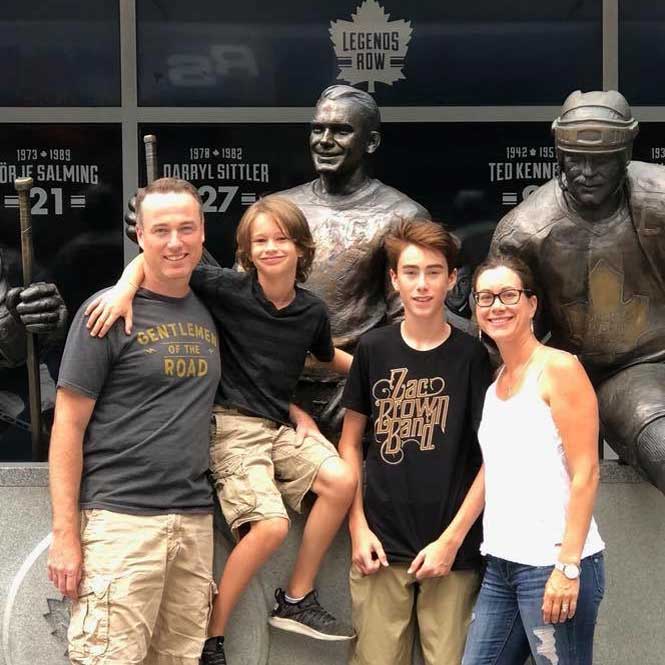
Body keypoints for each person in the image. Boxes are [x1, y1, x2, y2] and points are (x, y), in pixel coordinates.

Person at [87, 195, 357, 665]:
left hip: (275, 427)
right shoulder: (227, 289)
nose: (271, 248)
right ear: (246, 252)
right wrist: (124, 288)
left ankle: (296, 597)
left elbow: (324, 355)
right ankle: (213, 638)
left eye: (282, 239)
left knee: (342, 479)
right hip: (230, 427)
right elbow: (157, 260)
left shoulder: (311, 312)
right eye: (261, 241)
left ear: (302, 248)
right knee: (270, 526)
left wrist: (388, 371)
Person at [47, 177, 222, 664]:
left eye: (186, 228)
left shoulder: (213, 307)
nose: (174, 242)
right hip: (120, 524)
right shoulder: (104, 314)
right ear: (139, 236)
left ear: (203, 233)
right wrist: (66, 535)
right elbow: (67, 427)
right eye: (160, 229)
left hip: (192, 522)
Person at [491, 89, 665, 493]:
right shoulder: (526, 231)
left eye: (602, 160)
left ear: (626, 154)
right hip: (617, 372)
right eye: (575, 159)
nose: (587, 171)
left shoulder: (658, 200)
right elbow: (499, 333)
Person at [338, 219, 491, 665]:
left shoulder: (471, 356)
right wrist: (357, 528)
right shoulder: (373, 349)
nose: (421, 284)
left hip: (453, 551)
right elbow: (351, 444)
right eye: (410, 272)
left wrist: (451, 540)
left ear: (452, 279)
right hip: (380, 547)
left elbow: (491, 460)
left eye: (433, 272)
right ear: (394, 280)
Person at [462, 253, 605, 665]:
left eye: (508, 294)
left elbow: (587, 472)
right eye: (485, 298)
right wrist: (451, 538)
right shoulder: (496, 384)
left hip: (552, 565)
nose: (497, 306)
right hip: (502, 566)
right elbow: (495, 472)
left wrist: (569, 567)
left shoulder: (559, 369)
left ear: (532, 304)